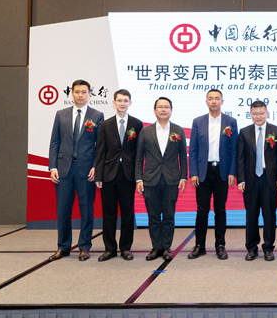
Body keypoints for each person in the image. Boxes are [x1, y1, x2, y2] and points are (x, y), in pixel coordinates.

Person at [48, 79, 104, 261]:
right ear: (72, 93)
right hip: (63, 170)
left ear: (89, 94)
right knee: (63, 210)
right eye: (77, 92)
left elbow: (100, 145)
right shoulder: (61, 114)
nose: (80, 95)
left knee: (86, 210)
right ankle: (63, 247)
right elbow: (55, 142)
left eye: (84, 92)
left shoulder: (97, 116)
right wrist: (53, 167)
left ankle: (84, 246)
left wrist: (96, 166)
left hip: (87, 171)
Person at [135, 97, 187, 261]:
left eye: (166, 107)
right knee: (153, 216)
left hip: (172, 179)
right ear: (154, 110)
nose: (163, 109)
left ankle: (166, 247)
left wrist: (183, 177)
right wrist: (139, 179)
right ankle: (156, 247)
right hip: (150, 179)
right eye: (160, 107)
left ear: (171, 110)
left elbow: (183, 156)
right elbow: (139, 156)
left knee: (169, 216)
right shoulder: (146, 131)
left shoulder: (178, 130)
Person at [188, 89, 238, 260]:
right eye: (211, 98)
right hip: (203, 172)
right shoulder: (198, 122)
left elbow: (234, 150)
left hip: (222, 172)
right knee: (202, 210)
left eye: (217, 98)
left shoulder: (230, 122)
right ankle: (199, 245)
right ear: (206, 102)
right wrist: (193, 172)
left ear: (222, 101)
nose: (214, 101)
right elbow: (193, 150)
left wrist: (232, 172)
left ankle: (220, 246)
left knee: (220, 210)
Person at [94, 89, 143, 261]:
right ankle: (110, 248)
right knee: (109, 213)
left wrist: (139, 176)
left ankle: (125, 248)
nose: (122, 103)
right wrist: (98, 175)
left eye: (125, 100)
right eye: (119, 100)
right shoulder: (105, 125)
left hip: (128, 175)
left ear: (130, 103)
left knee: (128, 213)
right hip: (108, 174)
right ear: (114, 103)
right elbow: (100, 151)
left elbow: (139, 152)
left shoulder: (137, 124)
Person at [236, 100, 277, 261]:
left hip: (270, 179)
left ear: (267, 113)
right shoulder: (244, 132)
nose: (258, 116)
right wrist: (241, 179)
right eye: (255, 113)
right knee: (251, 215)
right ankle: (251, 248)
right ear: (250, 114)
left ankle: (268, 248)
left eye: (261, 113)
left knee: (269, 215)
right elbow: (240, 158)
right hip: (250, 180)